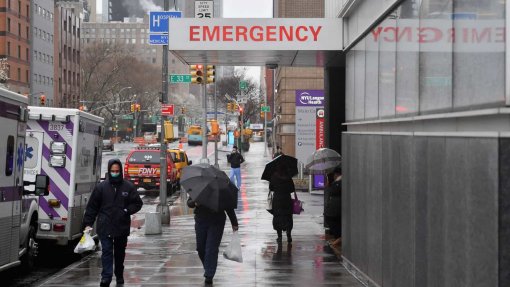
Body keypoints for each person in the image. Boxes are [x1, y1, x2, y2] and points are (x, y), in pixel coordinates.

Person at [82, 159, 143, 287]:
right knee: (107, 252)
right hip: (105, 226)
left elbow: (137, 203)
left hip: (121, 226)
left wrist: (126, 210)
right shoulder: (101, 187)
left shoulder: (128, 187)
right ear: (109, 171)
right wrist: (88, 223)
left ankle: (119, 275)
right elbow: (92, 207)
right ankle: (106, 278)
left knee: (119, 254)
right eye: (112, 171)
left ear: (120, 171)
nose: (115, 173)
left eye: (117, 171)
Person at [187, 197, 239, 285]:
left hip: (217, 221)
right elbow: (189, 202)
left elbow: (228, 207)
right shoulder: (200, 187)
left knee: (211, 248)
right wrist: (195, 203)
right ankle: (208, 266)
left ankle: (209, 274)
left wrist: (234, 222)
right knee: (200, 248)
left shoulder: (221, 188)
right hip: (201, 220)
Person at [269, 164, 295, 245]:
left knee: (278, 217)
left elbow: (271, 188)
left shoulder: (274, 176)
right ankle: (289, 235)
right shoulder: (288, 177)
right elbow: (292, 189)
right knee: (288, 216)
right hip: (287, 199)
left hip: (277, 200)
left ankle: (279, 237)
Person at [324, 166, 342, 246]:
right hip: (334, 205)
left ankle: (339, 237)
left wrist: (331, 185)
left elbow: (334, 192)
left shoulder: (339, 182)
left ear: (336, 174)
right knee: (331, 218)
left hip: (337, 205)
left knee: (331, 218)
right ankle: (337, 237)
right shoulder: (336, 182)